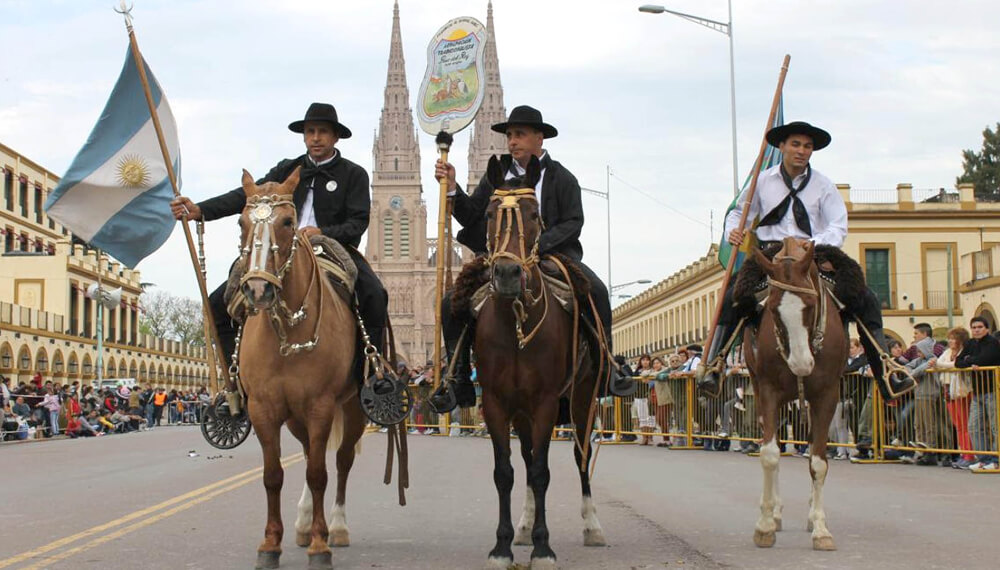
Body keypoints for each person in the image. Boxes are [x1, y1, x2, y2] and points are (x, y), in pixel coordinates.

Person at [170, 102, 389, 395]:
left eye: (322, 132)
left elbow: (358, 221)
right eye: (310, 132)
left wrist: (322, 232)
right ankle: (235, 380)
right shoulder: (286, 169)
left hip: (332, 247)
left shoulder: (354, 174)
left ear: (335, 137)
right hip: (282, 247)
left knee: (375, 293)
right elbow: (245, 196)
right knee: (217, 302)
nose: (315, 138)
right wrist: (201, 209)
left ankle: (371, 375)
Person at [428, 105, 633, 412]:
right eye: (510, 135)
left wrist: (537, 246)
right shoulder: (496, 175)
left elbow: (573, 222)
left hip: (553, 255)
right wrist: (453, 188)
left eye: (520, 135)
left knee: (597, 291)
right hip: (504, 257)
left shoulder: (561, 177)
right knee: (451, 302)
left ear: (539, 138)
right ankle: (457, 376)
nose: (512, 141)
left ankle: (607, 365)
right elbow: (472, 216)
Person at [699, 121, 915, 401]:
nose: (802, 151)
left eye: (808, 146)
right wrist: (734, 231)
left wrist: (812, 244)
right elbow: (738, 213)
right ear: (782, 147)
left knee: (866, 297)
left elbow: (838, 225)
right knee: (733, 297)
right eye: (796, 144)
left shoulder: (824, 185)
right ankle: (715, 367)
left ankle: (886, 370)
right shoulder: (762, 182)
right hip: (772, 251)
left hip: (815, 250)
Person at [956, 316, 1000, 471]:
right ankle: (983, 458)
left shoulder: (993, 342)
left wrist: (970, 359)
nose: (976, 330)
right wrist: (970, 360)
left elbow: (986, 358)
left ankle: (996, 460)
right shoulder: (970, 343)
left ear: (987, 329)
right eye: (973, 327)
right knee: (974, 426)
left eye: (980, 327)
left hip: (993, 391)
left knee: (996, 427)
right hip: (977, 392)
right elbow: (958, 362)